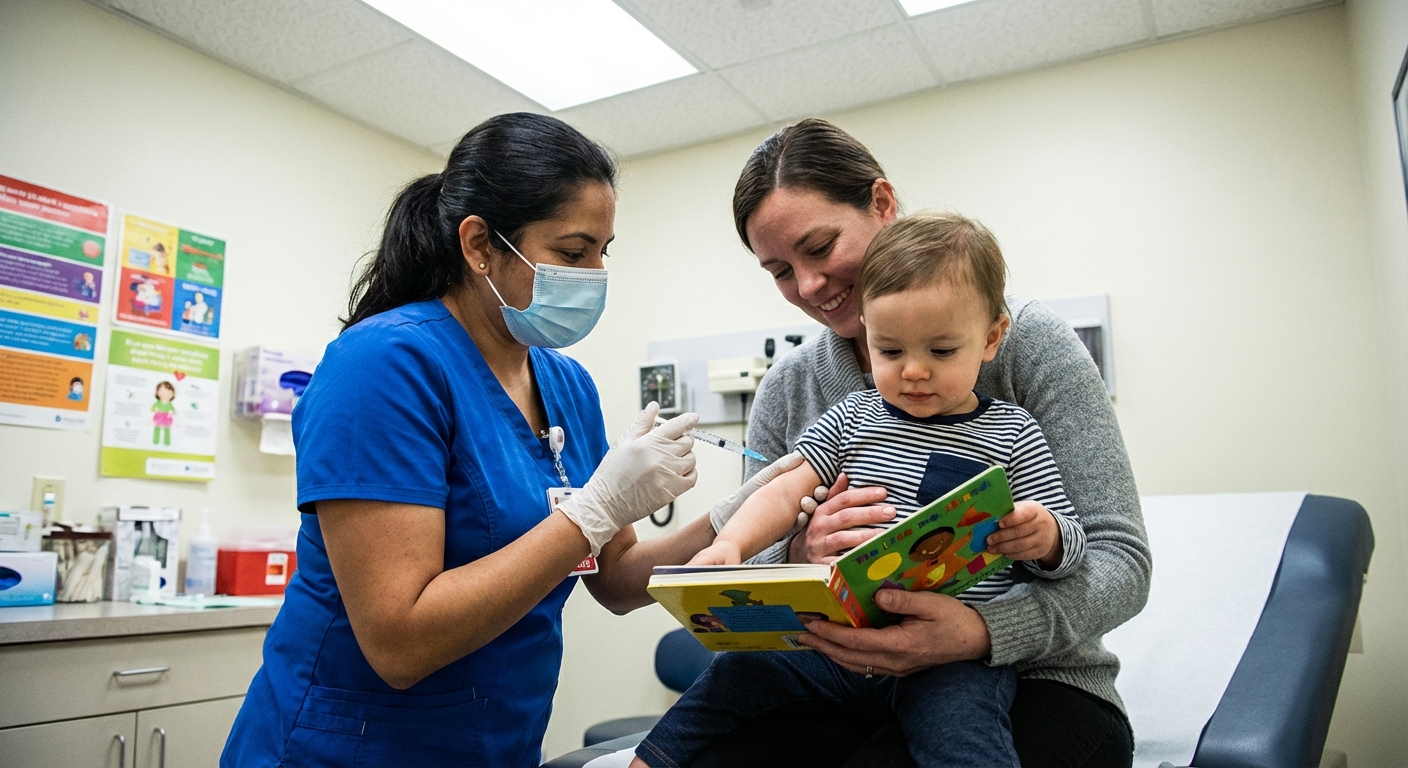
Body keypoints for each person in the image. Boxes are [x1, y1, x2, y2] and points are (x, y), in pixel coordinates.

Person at [220, 113, 806, 768]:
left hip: (497, 743)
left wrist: (736, 516)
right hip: (350, 745)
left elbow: (614, 579)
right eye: (573, 252)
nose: (595, 273)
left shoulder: (566, 383)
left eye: (604, 251)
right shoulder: (383, 366)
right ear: (479, 245)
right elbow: (400, 642)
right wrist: (594, 510)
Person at [697, 119, 1151, 767]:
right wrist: (797, 548)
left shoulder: (1030, 347)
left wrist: (982, 632)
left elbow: (1123, 563)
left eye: (820, 247)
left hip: (1037, 682)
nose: (807, 286)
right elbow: (753, 573)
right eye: (778, 271)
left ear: (881, 204)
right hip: (847, 682)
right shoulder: (789, 391)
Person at [636, 213, 1086, 768]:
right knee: (735, 674)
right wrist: (732, 547)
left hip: (946, 660)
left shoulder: (1013, 433)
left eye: (941, 352)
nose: (914, 372)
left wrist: (1044, 537)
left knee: (963, 739)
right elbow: (784, 490)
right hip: (840, 646)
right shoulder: (853, 416)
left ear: (992, 337)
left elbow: (1072, 545)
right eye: (890, 352)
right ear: (867, 338)